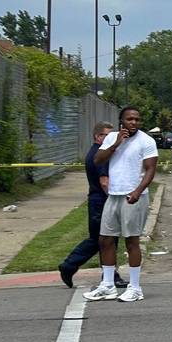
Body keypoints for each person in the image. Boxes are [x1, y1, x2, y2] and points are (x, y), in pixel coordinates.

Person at [83, 106, 158, 303]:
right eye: (130, 119)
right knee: (105, 240)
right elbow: (98, 160)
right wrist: (116, 143)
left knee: (131, 242)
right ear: (121, 121)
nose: (134, 122)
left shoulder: (146, 141)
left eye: (137, 119)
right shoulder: (111, 138)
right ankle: (108, 285)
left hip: (133, 196)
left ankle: (135, 287)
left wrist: (138, 191)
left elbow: (150, 169)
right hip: (114, 195)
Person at [57, 122, 127, 289]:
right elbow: (105, 182)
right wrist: (115, 199)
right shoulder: (100, 154)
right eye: (108, 136)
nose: (112, 139)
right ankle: (70, 265)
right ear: (98, 137)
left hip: (97, 200)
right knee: (103, 239)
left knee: (103, 239)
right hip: (102, 200)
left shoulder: (95, 152)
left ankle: (108, 274)